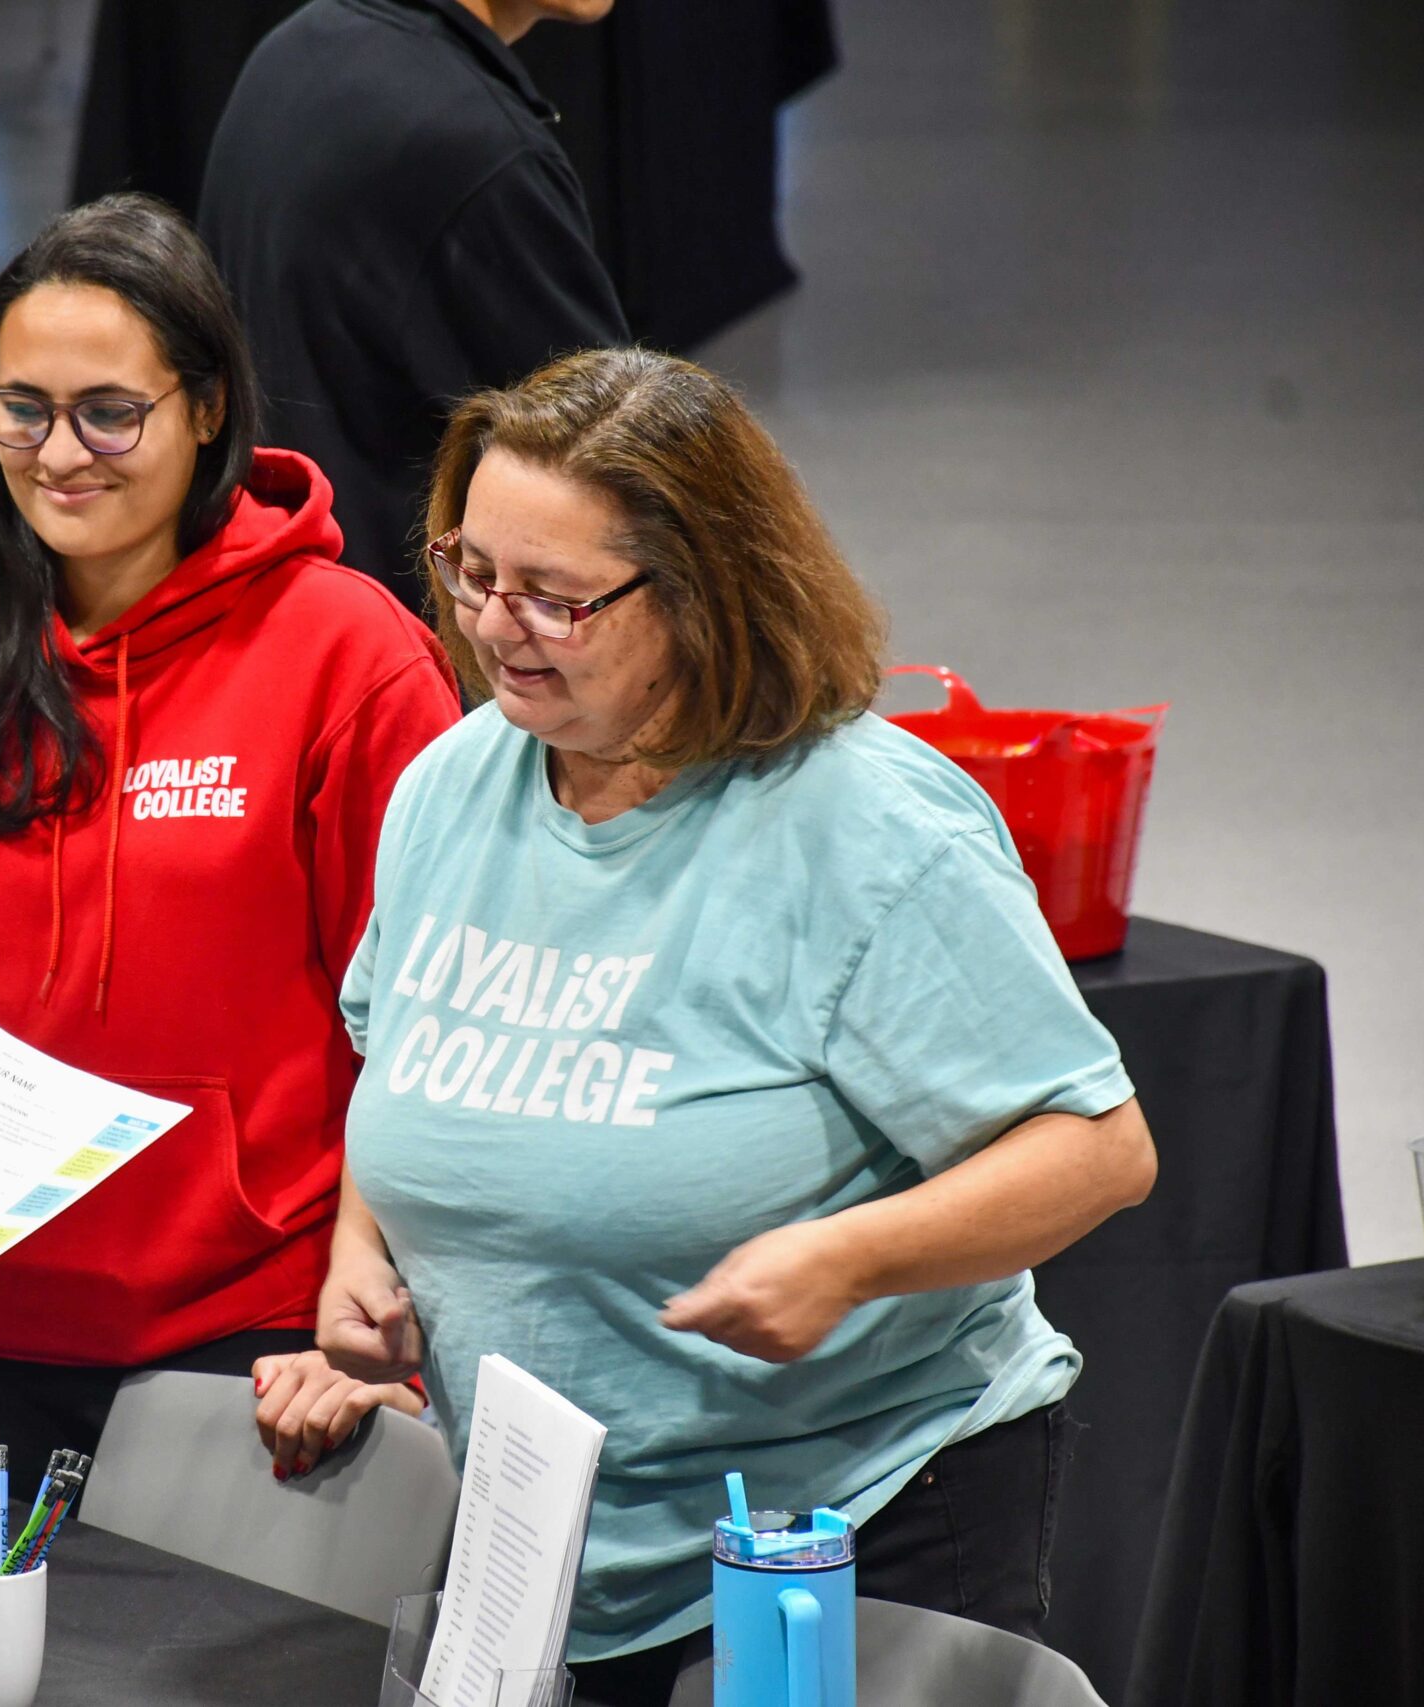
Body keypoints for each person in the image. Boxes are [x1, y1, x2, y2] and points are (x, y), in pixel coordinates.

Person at [320, 349, 1157, 1706]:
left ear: (704, 594)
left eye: (557, 597)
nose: (493, 624)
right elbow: (401, 1052)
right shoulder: (451, 786)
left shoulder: (867, 829)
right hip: (547, 1543)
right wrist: (365, 1245)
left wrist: (846, 1253)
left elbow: (1097, 1147)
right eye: (471, 569)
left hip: (850, 1530)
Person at [0, 194, 460, 1484]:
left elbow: (426, 1013)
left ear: (205, 407)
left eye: (110, 411)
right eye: (19, 406)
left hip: (248, 1329)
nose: (59, 451)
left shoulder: (347, 654)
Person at [197, 0, 626, 607]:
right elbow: (618, 470)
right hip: (412, 658)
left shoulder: (299, 44)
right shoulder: (478, 151)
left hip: (282, 604)